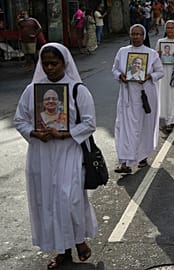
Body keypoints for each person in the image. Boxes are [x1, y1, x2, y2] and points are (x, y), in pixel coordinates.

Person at [13, 42, 97, 269]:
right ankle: (63, 250)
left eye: (54, 63)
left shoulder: (78, 90)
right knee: (48, 202)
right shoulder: (32, 91)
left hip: (69, 152)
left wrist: (64, 134)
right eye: (45, 63)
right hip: (41, 154)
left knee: (69, 199)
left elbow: (90, 123)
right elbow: (19, 119)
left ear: (64, 63)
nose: (49, 68)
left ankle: (79, 240)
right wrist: (33, 132)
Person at [112, 24, 164, 173]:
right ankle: (125, 163)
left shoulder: (151, 53)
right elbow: (114, 69)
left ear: (144, 36)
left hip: (144, 96)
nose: (135, 37)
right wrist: (120, 76)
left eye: (139, 34)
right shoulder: (122, 52)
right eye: (133, 34)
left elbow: (160, 72)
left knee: (143, 127)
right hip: (127, 96)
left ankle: (142, 156)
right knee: (125, 128)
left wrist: (148, 76)